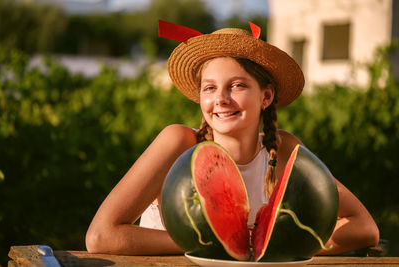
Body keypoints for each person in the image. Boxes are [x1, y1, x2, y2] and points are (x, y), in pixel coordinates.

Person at [85, 20, 379, 256]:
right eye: (209, 88)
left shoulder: (284, 148)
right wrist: (222, 241)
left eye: (237, 86)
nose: (221, 99)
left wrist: (275, 246)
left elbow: (364, 228)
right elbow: (101, 236)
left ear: (266, 96)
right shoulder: (178, 142)